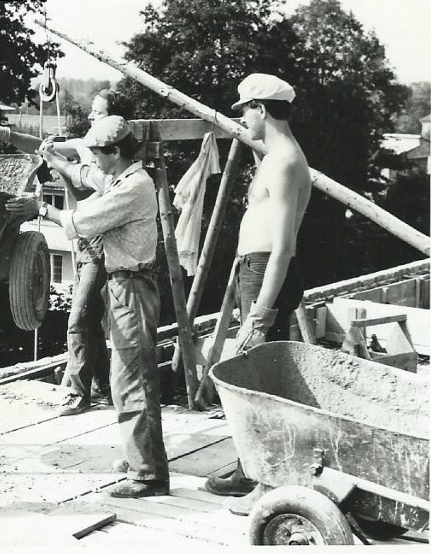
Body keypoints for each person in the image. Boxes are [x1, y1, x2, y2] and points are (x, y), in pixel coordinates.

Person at [5, 115, 170, 498]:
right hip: (123, 286)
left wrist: (40, 208)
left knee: (132, 381)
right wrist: (56, 160)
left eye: (98, 154)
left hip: (131, 289)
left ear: (115, 152)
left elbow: (79, 220)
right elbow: (86, 176)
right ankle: (140, 459)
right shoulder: (123, 177)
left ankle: (148, 475)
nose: (94, 161)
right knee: (126, 378)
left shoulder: (132, 189)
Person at [0, 89, 128, 416]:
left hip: (101, 244)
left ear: (115, 122)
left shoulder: (107, 158)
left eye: (98, 112)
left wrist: (55, 159)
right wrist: (3, 134)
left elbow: (59, 157)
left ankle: (77, 393)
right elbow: (42, 149)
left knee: (78, 319)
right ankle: (101, 389)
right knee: (90, 319)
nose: (91, 117)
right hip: (83, 243)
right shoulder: (86, 147)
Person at [203, 73, 311, 514]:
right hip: (256, 267)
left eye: (245, 109)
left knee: (262, 386)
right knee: (255, 380)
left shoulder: (285, 160)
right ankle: (253, 470)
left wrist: (263, 310)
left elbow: (284, 245)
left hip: (268, 270)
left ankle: (267, 485)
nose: (242, 117)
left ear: (262, 110)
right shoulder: (275, 155)